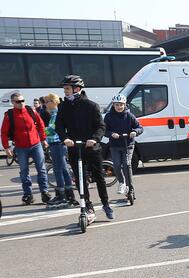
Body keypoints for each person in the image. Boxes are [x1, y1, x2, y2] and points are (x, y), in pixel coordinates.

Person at [55, 75, 113, 220]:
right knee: (80, 179)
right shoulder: (63, 106)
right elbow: (59, 126)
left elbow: (101, 126)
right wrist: (65, 138)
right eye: (64, 89)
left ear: (77, 89)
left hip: (91, 148)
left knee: (99, 177)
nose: (65, 91)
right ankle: (87, 205)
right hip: (74, 147)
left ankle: (106, 204)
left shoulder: (91, 106)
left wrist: (94, 139)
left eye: (67, 89)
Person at [1, 91, 52, 205]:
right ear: (13, 102)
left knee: (42, 169)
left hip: (36, 144)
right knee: (24, 172)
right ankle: (28, 194)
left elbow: (40, 124)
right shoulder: (9, 115)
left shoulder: (31, 111)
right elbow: (3, 132)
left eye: (23, 101)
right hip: (21, 147)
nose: (21, 103)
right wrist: (6, 147)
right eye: (18, 101)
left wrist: (43, 139)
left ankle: (45, 192)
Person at [104, 94, 143, 200]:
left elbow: (139, 127)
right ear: (113, 105)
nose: (119, 107)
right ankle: (121, 182)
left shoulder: (129, 115)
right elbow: (104, 130)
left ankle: (130, 188)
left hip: (128, 144)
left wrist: (135, 132)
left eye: (121, 105)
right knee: (116, 165)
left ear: (124, 104)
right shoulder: (108, 116)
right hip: (115, 145)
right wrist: (111, 134)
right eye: (117, 105)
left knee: (127, 164)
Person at [43, 93, 78, 207]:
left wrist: (40, 130)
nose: (46, 104)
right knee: (63, 169)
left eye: (48, 101)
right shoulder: (55, 113)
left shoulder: (56, 114)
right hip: (58, 144)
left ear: (54, 102)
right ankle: (69, 195)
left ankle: (62, 195)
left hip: (57, 143)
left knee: (58, 170)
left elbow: (53, 130)